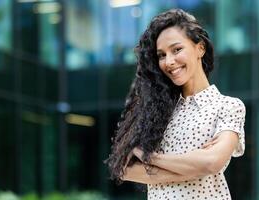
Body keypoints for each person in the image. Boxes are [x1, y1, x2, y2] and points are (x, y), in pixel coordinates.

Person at [105, 8, 246, 200]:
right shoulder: (156, 110)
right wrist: (194, 166)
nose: (169, 62)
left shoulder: (228, 106)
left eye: (177, 50)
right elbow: (125, 169)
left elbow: (212, 162)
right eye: (161, 55)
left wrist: (151, 158)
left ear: (200, 48)